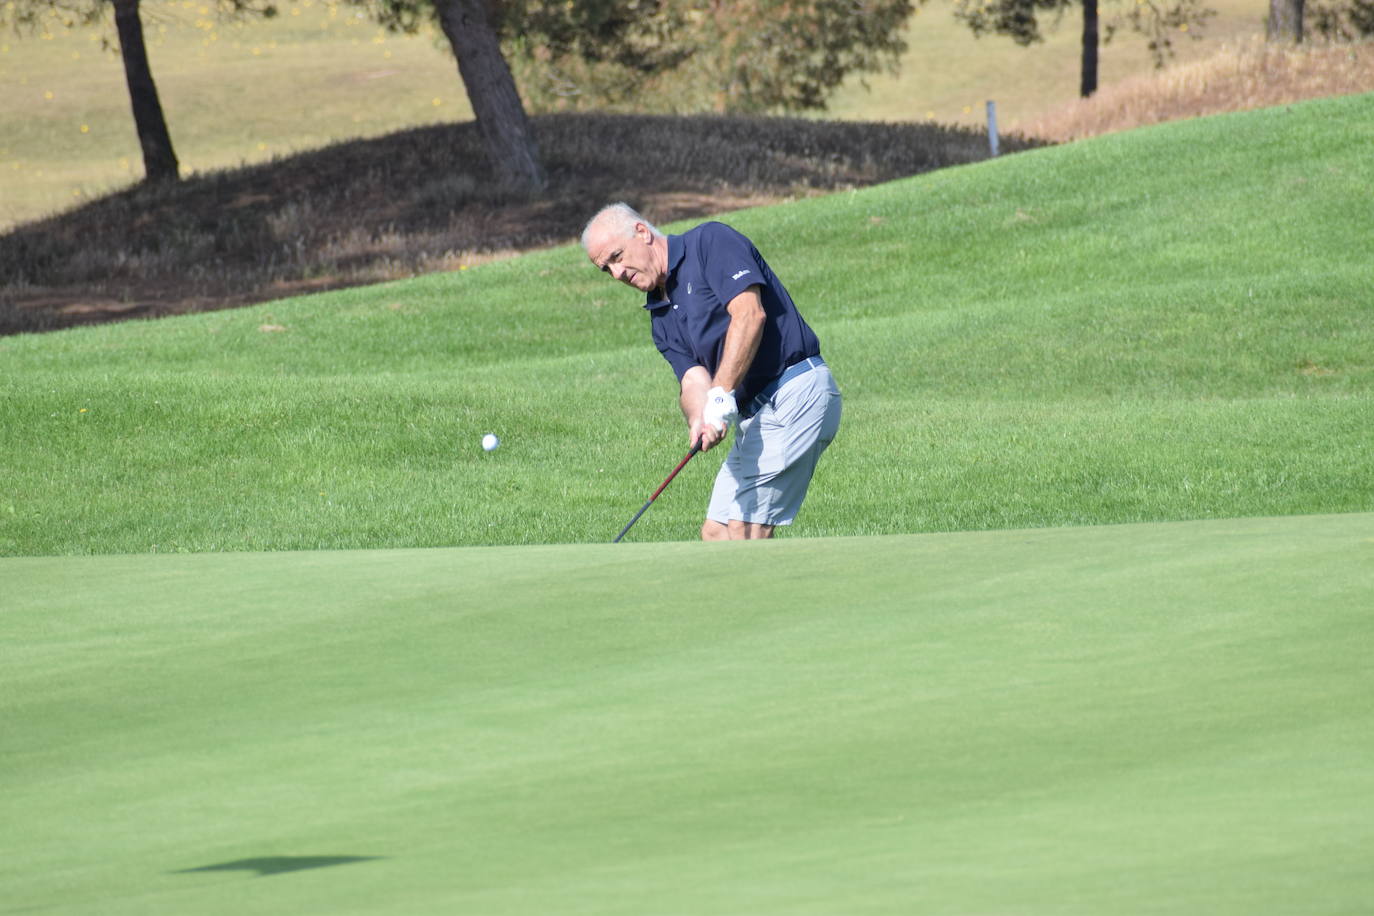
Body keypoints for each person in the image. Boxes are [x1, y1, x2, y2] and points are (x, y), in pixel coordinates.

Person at [581, 202, 842, 541]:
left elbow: (750, 315)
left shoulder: (709, 243)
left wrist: (720, 396)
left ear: (642, 232)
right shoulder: (660, 317)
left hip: (794, 390)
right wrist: (700, 417)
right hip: (756, 416)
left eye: (617, 257)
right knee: (716, 532)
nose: (617, 274)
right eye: (607, 269)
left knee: (745, 531)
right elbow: (692, 380)